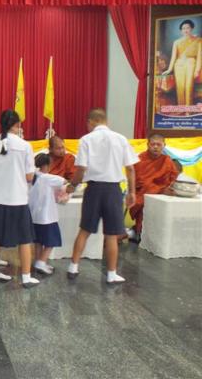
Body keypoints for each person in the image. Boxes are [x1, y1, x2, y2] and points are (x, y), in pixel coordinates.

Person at [66, 108, 138, 285]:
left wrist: (72, 185)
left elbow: (81, 169)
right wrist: (132, 192)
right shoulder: (121, 139)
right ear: (106, 121)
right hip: (113, 190)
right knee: (112, 235)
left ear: (91, 121)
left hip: (94, 189)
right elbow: (130, 168)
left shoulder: (86, 139)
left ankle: (73, 266)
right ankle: (112, 274)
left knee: (84, 230)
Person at [0, 110, 39, 288]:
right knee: (24, 239)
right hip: (16, 198)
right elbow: (29, 177)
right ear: (17, 125)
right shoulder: (25, 146)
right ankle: (26, 277)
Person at [128, 134, 179, 241]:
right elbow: (139, 182)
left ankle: (163, 234)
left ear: (164, 145)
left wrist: (169, 188)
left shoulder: (167, 160)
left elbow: (173, 179)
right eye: (153, 144)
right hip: (144, 193)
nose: (155, 147)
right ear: (148, 145)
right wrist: (160, 190)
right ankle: (140, 232)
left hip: (163, 194)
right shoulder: (140, 159)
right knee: (144, 202)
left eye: (158, 144)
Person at [29, 153, 65, 275]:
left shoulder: (32, 176)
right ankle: (41, 262)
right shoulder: (47, 178)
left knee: (38, 241)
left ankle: (38, 261)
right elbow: (64, 181)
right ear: (47, 165)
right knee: (51, 241)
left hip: (34, 216)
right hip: (47, 217)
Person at [162, 19, 202, 107]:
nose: (186, 30)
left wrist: (197, 70)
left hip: (191, 64)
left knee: (189, 87)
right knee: (180, 88)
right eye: (183, 28)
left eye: (187, 28)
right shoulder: (176, 42)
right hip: (178, 66)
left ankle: (188, 110)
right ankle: (181, 109)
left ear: (191, 28)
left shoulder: (199, 40)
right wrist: (169, 69)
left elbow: (200, 57)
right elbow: (173, 57)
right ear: (181, 31)